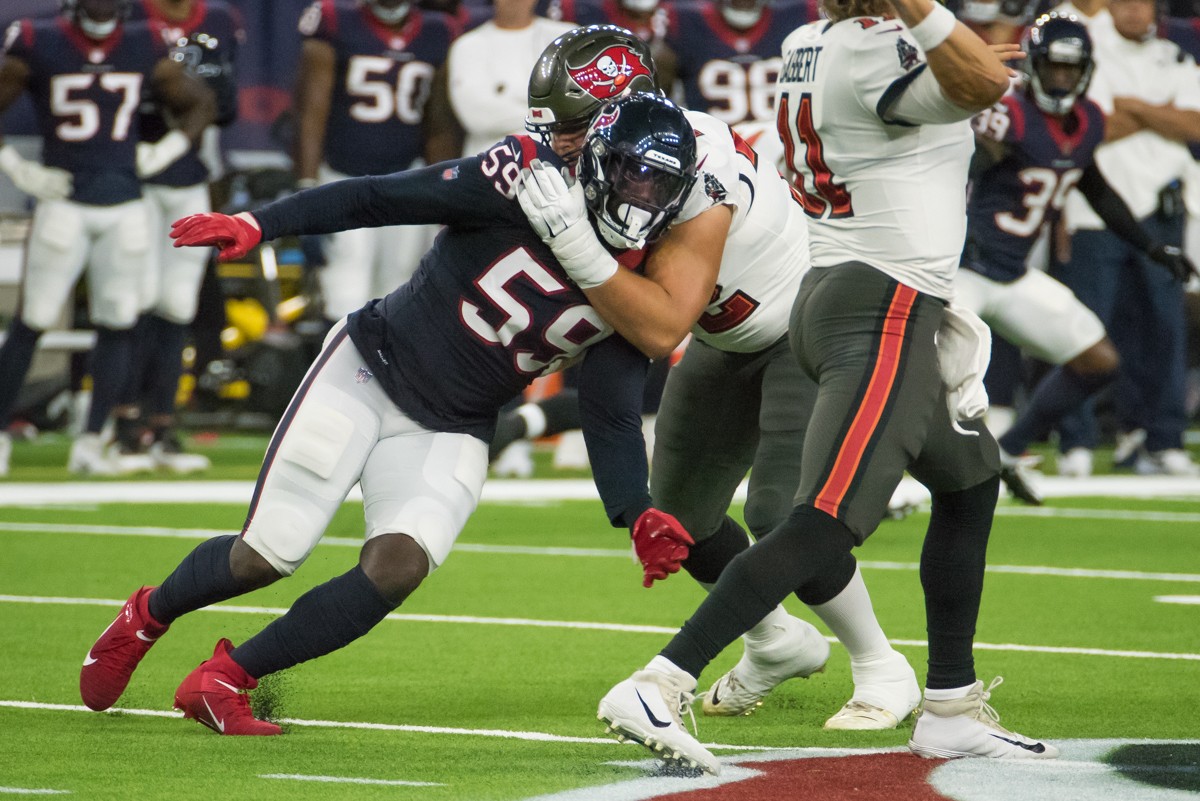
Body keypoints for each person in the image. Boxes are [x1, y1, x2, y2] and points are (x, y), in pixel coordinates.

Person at [78, 92, 701, 736]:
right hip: (370, 369)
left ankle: (225, 678)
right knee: (268, 552)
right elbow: (374, 197)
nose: (645, 197)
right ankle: (147, 615)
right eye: (636, 172)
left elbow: (609, 409)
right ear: (599, 159)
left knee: (399, 566)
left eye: (664, 184)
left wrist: (636, 508)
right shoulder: (520, 184)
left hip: (455, 420)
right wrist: (262, 223)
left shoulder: (645, 277)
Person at [593, 0, 1057, 776]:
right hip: (879, 306)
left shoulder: (812, 41)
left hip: (861, 292)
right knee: (822, 521)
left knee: (973, 479)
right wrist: (936, 29)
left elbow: (955, 81)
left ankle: (950, 703)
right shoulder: (872, 50)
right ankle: (658, 682)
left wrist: (950, 47)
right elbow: (976, 84)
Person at [519, 24, 920, 729]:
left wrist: (573, 244)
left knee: (782, 512)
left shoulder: (691, 164)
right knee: (680, 513)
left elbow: (661, 323)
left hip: (806, 327)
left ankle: (882, 663)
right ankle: (774, 640)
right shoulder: (599, 161)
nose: (559, 145)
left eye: (575, 127)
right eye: (553, 128)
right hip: (725, 338)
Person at [958, 12, 1197, 503]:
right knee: (934, 379)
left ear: (1087, 70)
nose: (1062, 78)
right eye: (1054, 67)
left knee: (1098, 360)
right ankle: (904, 477)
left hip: (1014, 275)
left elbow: (1098, 191)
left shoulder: (1086, 120)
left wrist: (1153, 246)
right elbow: (960, 163)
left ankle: (1005, 452)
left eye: (1071, 69)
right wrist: (981, 148)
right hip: (964, 271)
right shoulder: (1007, 113)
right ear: (1035, 66)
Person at [0, 0, 215, 477]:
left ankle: (92, 441)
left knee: (118, 321)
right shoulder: (39, 40)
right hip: (65, 201)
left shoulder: (143, 40)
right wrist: (16, 166)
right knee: (33, 320)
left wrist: (165, 152)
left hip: (125, 206)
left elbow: (203, 101)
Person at [1055, 0, 1200, 476]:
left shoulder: (1174, 58)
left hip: (1161, 214)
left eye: (1142, 2)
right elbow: (1090, 129)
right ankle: (1076, 440)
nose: (1133, 11)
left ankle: (1161, 438)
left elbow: (1194, 125)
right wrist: (1161, 114)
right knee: (1082, 329)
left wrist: (1131, 106)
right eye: (1123, 2)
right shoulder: (1086, 50)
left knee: (1164, 330)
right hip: (1094, 213)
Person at [110, 0, 243, 473]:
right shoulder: (127, 25)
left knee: (177, 304)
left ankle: (162, 426)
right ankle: (122, 424)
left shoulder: (215, 27)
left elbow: (222, 108)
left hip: (187, 180)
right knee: (136, 300)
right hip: (136, 179)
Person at [293, 0, 459, 326]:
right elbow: (310, 113)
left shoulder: (439, 31)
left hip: (406, 179)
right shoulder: (333, 19)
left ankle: (384, 377)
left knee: (399, 295)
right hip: (343, 175)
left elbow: (438, 125)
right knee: (344, 296)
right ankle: (337, 376)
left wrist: (446, 197)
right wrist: (307, 189)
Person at [425, 0, 574, 158]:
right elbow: (478, 118)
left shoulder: (566, 37)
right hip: (489, 166)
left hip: (561, 164)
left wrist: (508, 101)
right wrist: (552, 112)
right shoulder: (467, 46)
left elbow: (583, 103)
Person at [658, 0, 813, 127]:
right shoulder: (683, 21)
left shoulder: (799, 14)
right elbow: (657, 85)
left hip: (780, 145)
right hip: (717, 150)